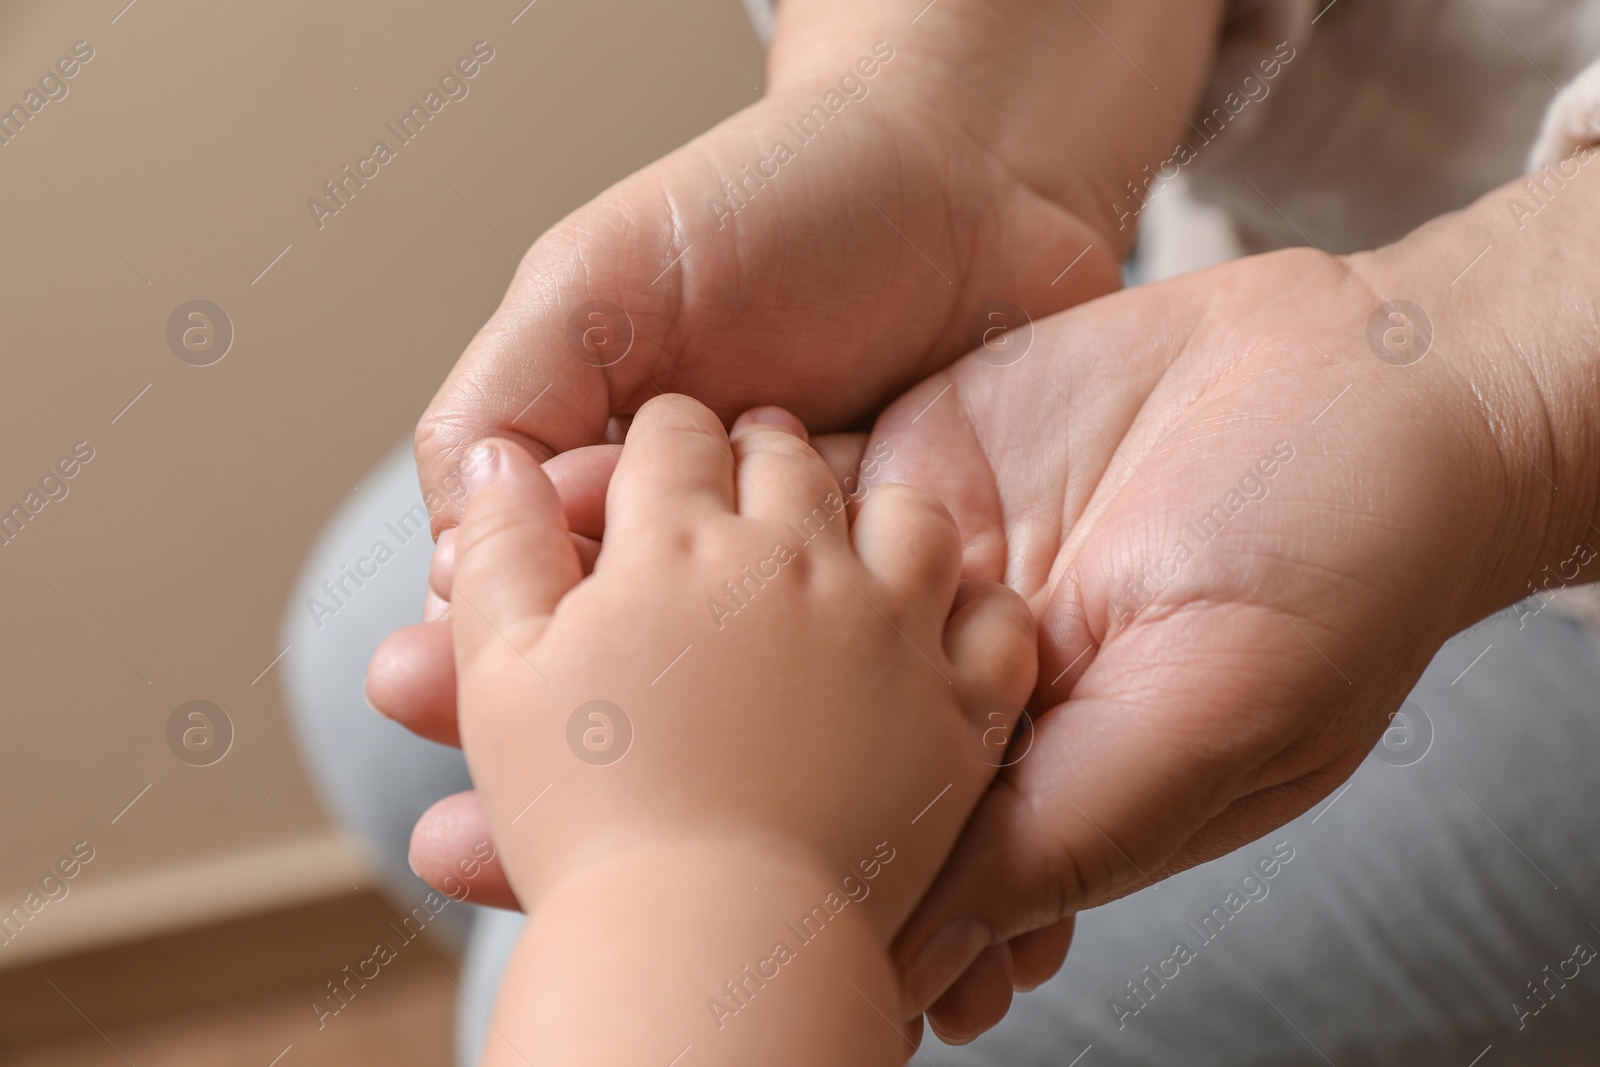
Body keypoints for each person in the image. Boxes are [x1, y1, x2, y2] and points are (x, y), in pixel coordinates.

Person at [302, 0, 1600, 1059]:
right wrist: (956, 120)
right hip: (1285, 277)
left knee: (542, 942)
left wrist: (714, 867)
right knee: (375, 681)